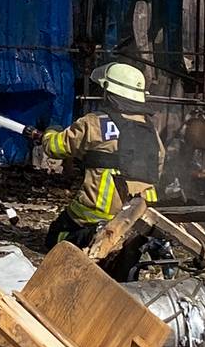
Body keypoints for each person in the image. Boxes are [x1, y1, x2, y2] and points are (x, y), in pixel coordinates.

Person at [26, 61, 166, 249]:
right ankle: (150, 243)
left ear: (109, 93)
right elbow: (159, 161)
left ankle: (93, 234)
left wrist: (50, 131)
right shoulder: (149, 127)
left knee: (55, 237)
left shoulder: (93, 123)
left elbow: (55, 147)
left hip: (98, 210)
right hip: (139, 211)